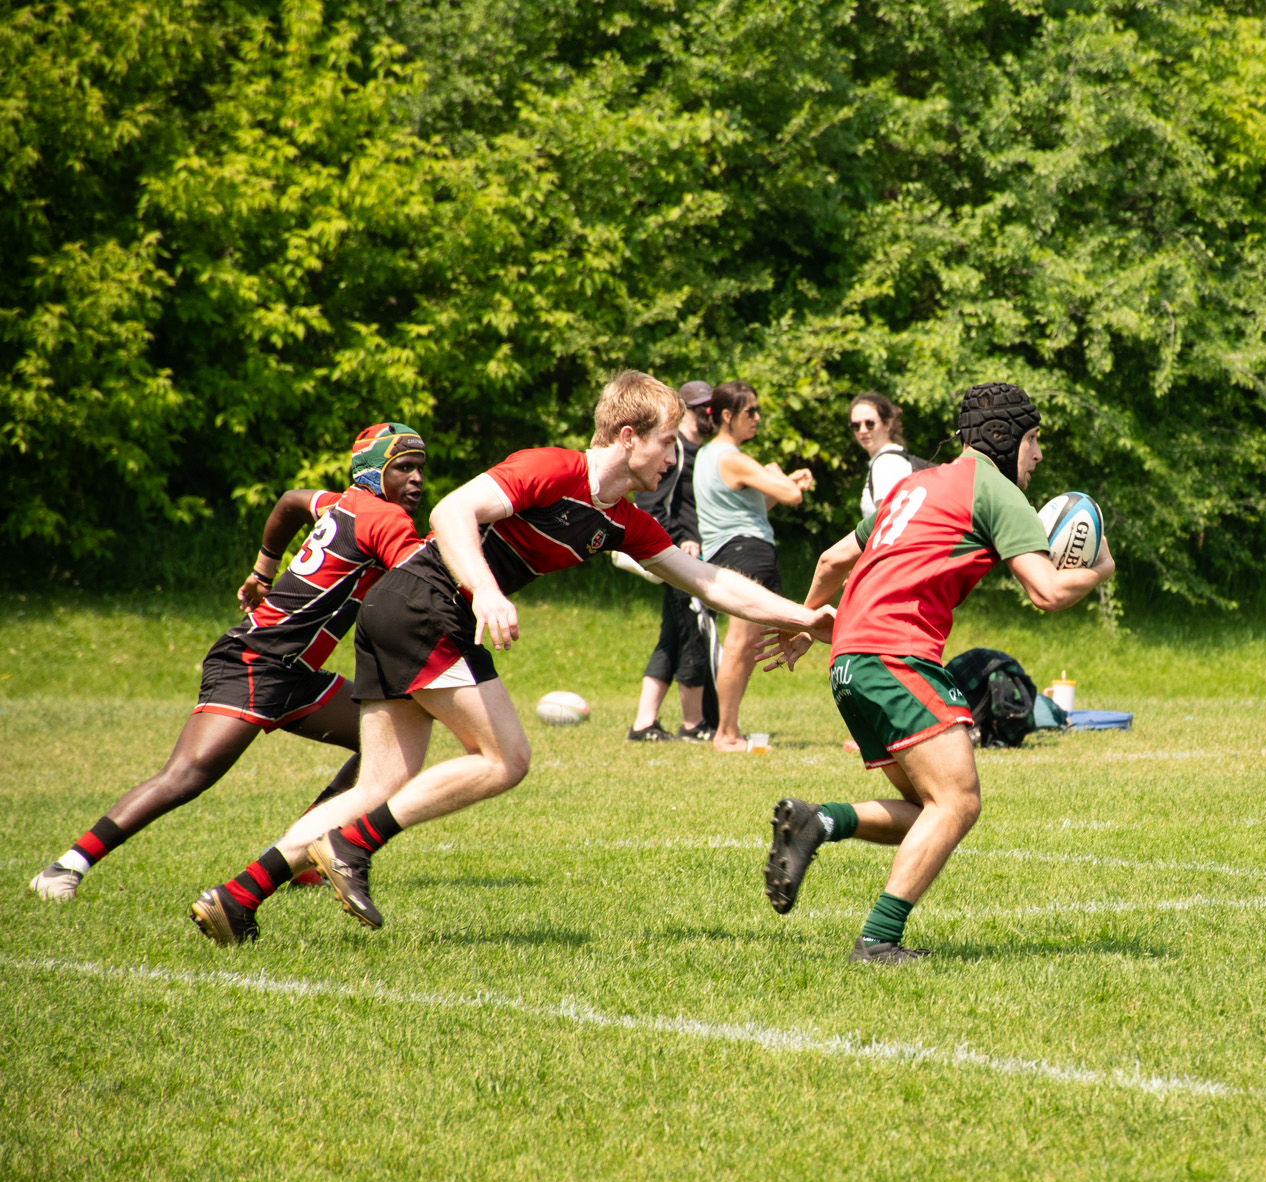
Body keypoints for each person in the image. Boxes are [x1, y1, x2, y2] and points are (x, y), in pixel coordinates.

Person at [187, 373, 834, 944]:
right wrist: (487, 590)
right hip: (425, 604)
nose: (675, 456)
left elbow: (709, 580)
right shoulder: (554, 467)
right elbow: (453, 509)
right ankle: (350, 846)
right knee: (506, 758)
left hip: (400, 611)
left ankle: (238, 897)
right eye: (669, 442)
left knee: (379, 784)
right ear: (630, 435)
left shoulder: (621, 519)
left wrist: (803, 615)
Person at [757, 382, 1115, 964]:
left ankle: (818, 822)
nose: (1040, 456)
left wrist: (805, 624)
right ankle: (878, 940)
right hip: (896, 657)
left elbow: (831, 559)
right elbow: (1047, 591)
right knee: (959, 802)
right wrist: (1100, 569)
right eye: (1034, 441)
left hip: (850, 661)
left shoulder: (914, 485)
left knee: (931, 810)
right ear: (1006, 441)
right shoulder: (995, 491)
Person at [29, 424, 430, 904]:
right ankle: (64, 867)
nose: (417, 478)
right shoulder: (386, 520)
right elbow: (418, 588)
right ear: (372, 473)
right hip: (255, 661)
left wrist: (264, 568)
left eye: (421, 468)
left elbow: (288, 501)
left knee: (383, 743)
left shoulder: (340, 502)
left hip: (295, 673)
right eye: (403, 467)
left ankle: (309, 854)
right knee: (187, 775)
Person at [695, 380, 814, 752]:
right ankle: (725, 733)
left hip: (734, 550)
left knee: (744, 646)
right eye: (751, 412)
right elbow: (791, 496)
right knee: (740, 643)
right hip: (744, 553)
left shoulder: (708, 457)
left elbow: (756, 510)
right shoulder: (732, 457)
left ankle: (729, 729)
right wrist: (782, 476)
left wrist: (778, 481)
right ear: (727, 416)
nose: (758, 418)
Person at [624, 377, 718, 741]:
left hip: (687, 554)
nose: (710, 415)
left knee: (672, 636)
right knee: (694, 631)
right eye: (703, 409)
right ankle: (694, 725)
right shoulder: (674, 450)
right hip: (677, 555)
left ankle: (644, 723)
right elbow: (649, 504)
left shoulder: (702, 452)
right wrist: (677, 544)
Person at [851, 391, 917, 520]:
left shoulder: (886, 463)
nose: (862, 430)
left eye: (870, 423)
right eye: (856, 425)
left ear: (887, 424)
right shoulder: (894, 458)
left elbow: (889, 522)